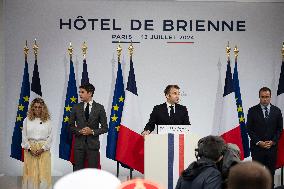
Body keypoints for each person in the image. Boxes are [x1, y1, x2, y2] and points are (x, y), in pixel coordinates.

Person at [247, 87, 283, 183]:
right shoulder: (252, 111)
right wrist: (259, 142)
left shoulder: (277, 111)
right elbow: (249, 129)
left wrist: (273, 141)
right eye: (262, 97)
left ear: (270, 97)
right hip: (257, 149)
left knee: (270, 176)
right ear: (259, 97)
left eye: (267, 97)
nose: (265, 99)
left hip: (272, 150)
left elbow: (279, 129)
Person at [69, 83, 108, 171]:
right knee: (78, 172)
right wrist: (79, 131)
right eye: (79, 92)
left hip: (93, 146)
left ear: (90, 93)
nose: (80, 94)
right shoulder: (76, 107)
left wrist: (92, 132)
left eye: (82, 92)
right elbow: (70, 126)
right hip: (79, 146)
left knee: (92, 173)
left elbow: (105, 128)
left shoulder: (99, 108)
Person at [22, 98, 52, 189]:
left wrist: (43, 148)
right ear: (32, 108)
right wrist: (29, 148)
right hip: (30, 149)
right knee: (31, 172)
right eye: (35, 107)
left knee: (43, 172)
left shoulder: (47, 121)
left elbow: (50, 137)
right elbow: (24, 135)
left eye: (40, 107)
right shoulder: (27, 120)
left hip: (43, 150)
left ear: (43, 108)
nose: (38, 109)